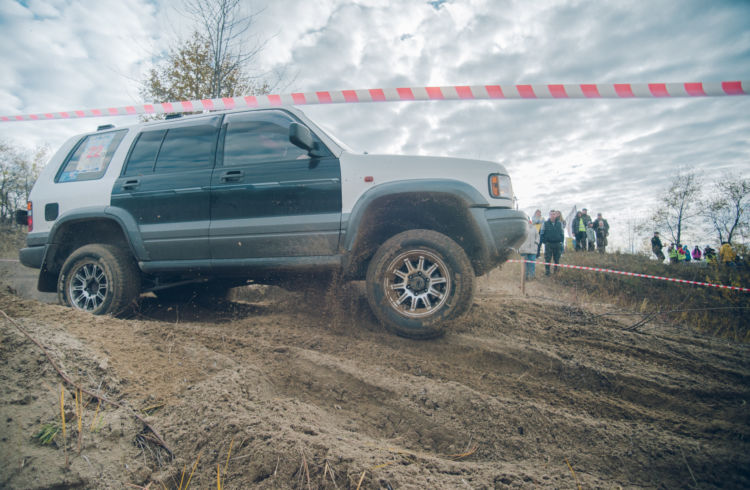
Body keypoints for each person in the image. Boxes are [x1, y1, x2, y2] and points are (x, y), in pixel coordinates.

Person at [542, 209, 564, 275]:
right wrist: (545, 242)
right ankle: (547, 272)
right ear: (549, 215)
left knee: (557, 259)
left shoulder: (559, 223)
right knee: (547, 259)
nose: (552, 216)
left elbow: (562, 233)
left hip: (557, 243)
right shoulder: (545, 223)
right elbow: (542, 233)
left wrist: (561, 241)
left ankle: (556, 272)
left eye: (554, 214)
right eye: (551, 214)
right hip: (548, 244)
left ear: (556, 215)